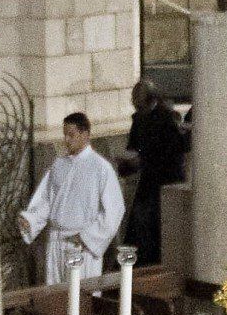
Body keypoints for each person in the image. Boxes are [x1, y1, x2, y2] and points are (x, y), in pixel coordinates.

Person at [19, 112, 125, 282]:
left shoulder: (101, 168)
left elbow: (115, 209)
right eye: (65, 135)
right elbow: (47, 200)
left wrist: (87, 237)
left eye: (71, 135)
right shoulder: (59, 165)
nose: (66, 140)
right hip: (56, 242)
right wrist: (31, 219)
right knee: (56, 294)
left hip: (81, 246)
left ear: (85, 134)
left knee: (80, 294)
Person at [118, 80, 187, 263]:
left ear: (151, 100)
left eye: (141, 106)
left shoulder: (167, 118)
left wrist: (142, 159)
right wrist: (128, 161)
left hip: (166, 181)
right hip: (148, 181)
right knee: (140, 231)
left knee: (158, 231)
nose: (139, 110)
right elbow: (134, 147)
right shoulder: (140, 119)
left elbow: (173, 151)